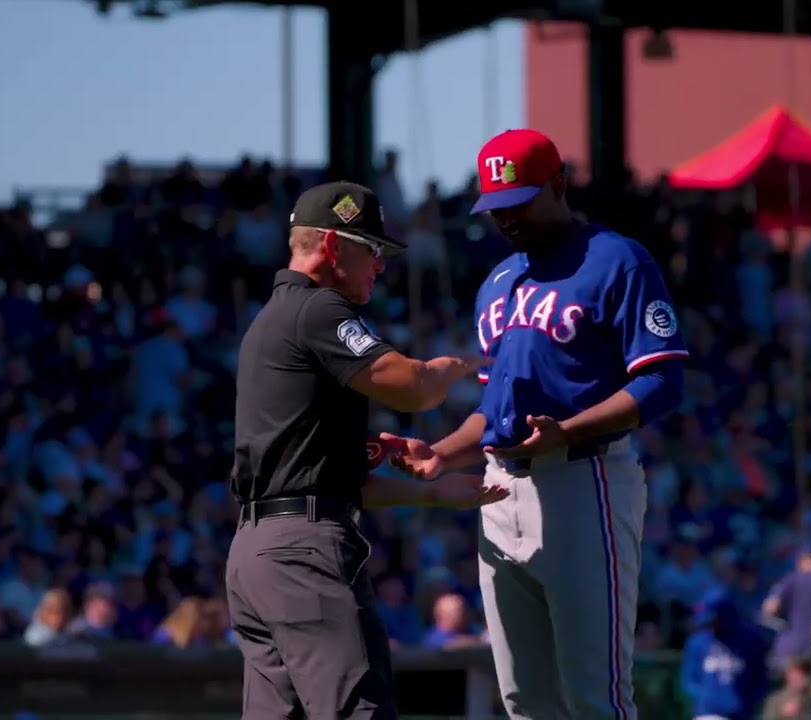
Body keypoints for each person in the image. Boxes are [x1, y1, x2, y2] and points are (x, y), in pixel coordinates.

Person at [387, 130, 688, 719]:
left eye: (519, 202)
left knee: (595, 698)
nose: (506, 218)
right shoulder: (498, 282)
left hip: (583, 480)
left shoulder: (617, 260)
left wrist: (570, 431)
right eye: (496, 206)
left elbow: (661, 381)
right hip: (499, 490)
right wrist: (443, 454)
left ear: (558, 184)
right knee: (523, 700)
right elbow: (493, 409)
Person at [226, 180, 508, 719]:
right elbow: (414, 388)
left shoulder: (272, 318)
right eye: (372, 249)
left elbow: (324, 480)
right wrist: (455, 366)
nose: (380, 265)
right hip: (303, 553)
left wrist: (432, 493)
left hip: (257, 553)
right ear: (333, 246)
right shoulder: (317, 310)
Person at [681, 589, 773, 720]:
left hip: (742, 714)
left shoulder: (751, 641)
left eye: (713, 620)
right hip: (708, 713)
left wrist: (748, 700)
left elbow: (761, 680)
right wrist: (711, 696)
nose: (710, 625)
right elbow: (689, 681)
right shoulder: (698, 642)